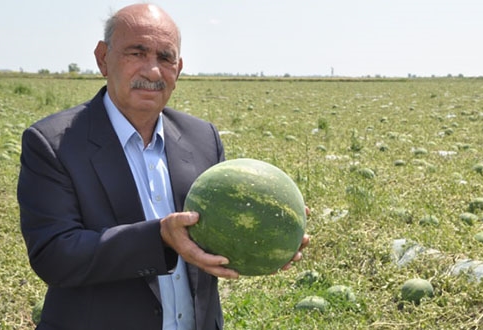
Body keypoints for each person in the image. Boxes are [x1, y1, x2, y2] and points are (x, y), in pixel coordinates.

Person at [17, 3, 309, 330]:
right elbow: (54, 255)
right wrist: (159, 238)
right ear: (103, 58)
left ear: (178, 69)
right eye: (136, 53)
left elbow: (220, 232)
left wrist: (272, 234)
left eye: (165, 57)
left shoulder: (203, 138)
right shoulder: (53, 143)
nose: (152, 71)